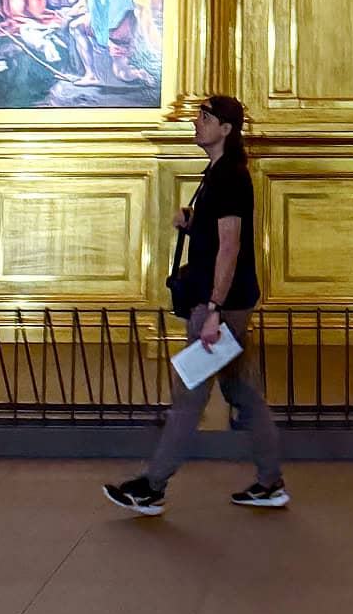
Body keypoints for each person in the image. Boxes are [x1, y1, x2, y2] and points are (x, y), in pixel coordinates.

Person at [105, 96, 286, 516]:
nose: (196, 123)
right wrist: (193, 221)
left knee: (188, 396)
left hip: (218, 306)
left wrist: (214, 310)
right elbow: (219, 234)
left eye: (205, 118)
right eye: (198, 117)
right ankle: (270, 482)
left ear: (226, 129)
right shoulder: (219, 174)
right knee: (244, 394)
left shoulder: (229, 178)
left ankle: (151, 486)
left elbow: (230, 247)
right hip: (227, 303)